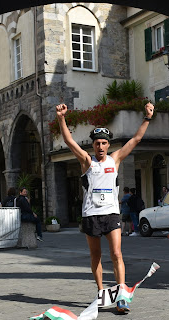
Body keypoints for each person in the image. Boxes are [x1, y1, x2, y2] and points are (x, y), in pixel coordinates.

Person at [56, 101, 154, 313]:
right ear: (93, 145)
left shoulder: (115, 159)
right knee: (96, 257)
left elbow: (136, 139)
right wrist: (61, 118)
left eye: (103, 143)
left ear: (108, 145)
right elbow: (68, 140)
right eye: (97, 143)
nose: (100, 147)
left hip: (111, 214)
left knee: (117, 254)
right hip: (91, 215)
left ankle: (121, 297)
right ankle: (102, 294)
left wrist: (147, 117)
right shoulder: (86, 161)